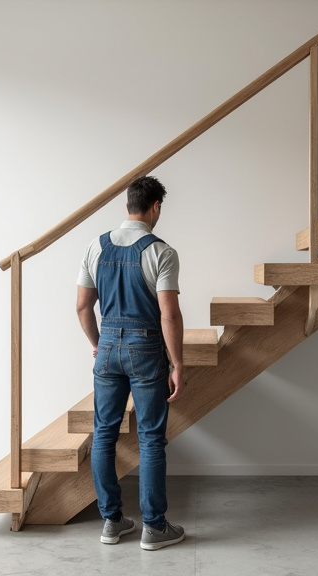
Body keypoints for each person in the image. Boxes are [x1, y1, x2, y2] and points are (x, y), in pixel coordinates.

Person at [76, 175, 186, 551]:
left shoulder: (95, 246)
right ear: (155, 207)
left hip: (107, 346)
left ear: (128, 205)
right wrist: (178, 364)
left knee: (104, 434)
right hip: (145, 349)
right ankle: (153, 528)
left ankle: (111, 522)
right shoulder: (161, 251)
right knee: (151, 438)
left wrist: (98, 343)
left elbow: (81, 306)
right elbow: (169, 315)